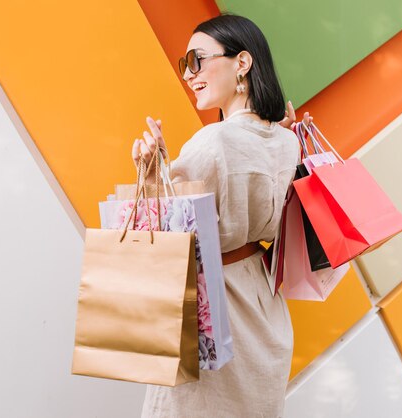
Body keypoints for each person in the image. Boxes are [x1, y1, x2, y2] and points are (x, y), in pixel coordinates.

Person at [132, 14, 312, 418]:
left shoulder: (212, 142)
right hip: (263, 305)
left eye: (197, 60)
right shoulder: (286, 140)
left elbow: (163, 231)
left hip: (212, 309)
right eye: (186, 65)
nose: (190, 74)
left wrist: (151, 170)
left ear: (242, 63)